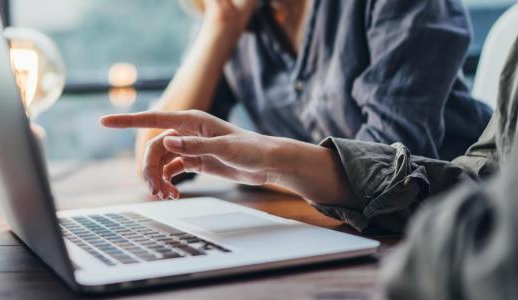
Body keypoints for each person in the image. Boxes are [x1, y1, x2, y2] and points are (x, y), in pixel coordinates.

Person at [101, 35, 518, 299]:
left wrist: (279, 163)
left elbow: (397, 145)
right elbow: (479, 187)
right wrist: (273, 161)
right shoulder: (249, 29)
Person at [136, 0, 492, 179]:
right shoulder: (242, 17)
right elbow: (157, 158)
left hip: (459, 219)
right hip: (337, 225)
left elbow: (391, 169)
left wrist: (269, 164)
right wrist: (221, 23)